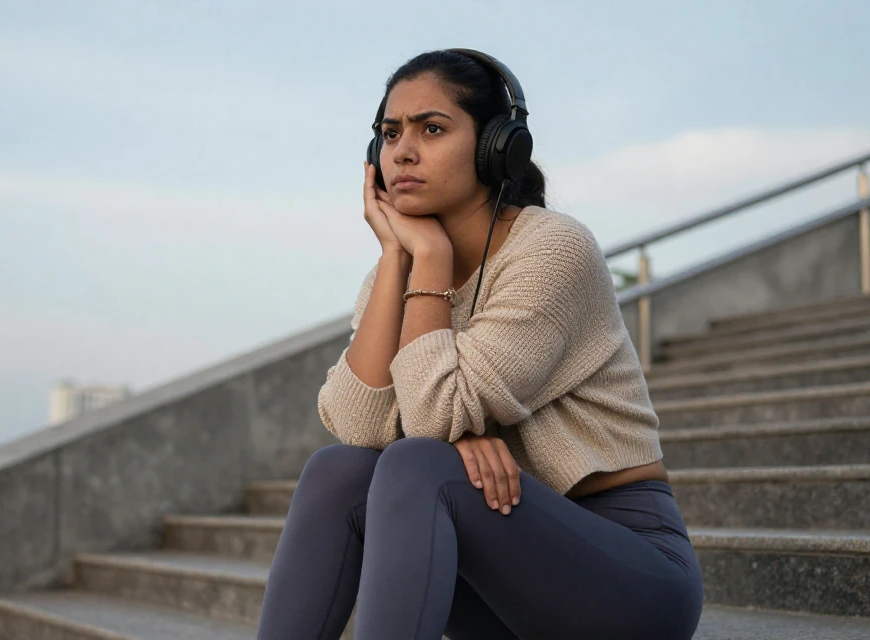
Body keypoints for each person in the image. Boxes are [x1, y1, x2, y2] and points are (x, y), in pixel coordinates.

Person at [256, 49, 703, 640]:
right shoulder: (394, 273)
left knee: (420, 463)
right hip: (494, 570)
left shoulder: (551, 251)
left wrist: (433, 261)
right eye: (390, 135)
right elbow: (356, 426)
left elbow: (433, 419)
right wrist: (397, 257)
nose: (403, 152)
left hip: (626, 578)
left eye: (432, 129)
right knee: (339, 469)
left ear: (497, 145)